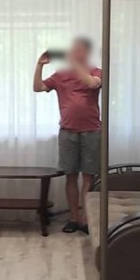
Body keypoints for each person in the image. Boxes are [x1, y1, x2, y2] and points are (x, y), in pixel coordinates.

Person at [33, 37, 102, 234]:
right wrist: (40, 65)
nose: (74, 52)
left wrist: (75, 64)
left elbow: (91, 84)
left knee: (88, 177)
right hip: (67, 132)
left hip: (91, 132)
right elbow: (37, 88)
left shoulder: (96, 71)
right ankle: (73, 218)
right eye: (73, 49)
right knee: (70, 177)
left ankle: (85, 220)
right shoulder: (60, 75)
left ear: (87, 52)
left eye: (78, 49)